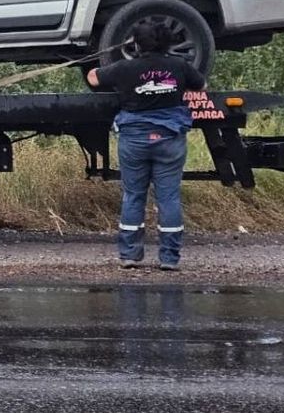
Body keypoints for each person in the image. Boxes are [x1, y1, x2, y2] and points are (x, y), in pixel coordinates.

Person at [87, 19, 207, 271]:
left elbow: (94, 79)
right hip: (169, 139)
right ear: (168, 43)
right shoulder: (179, 66)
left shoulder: (124, 68)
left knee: (133, 195)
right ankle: (169, 259)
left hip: (135, 140)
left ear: (136, 44)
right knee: (169, 197)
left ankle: (130, 255)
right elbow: (202, 85)